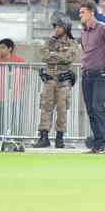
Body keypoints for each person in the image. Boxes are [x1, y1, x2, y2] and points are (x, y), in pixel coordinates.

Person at [79, 2, 105, 154]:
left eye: (82, 12)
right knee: (90, 110)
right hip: (87, 74)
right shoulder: (83, 32)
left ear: (91, 13)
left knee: (98, 108)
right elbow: (85, 52)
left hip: (101, 74)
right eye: (80, 13)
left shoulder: (103, 28)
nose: (80, 15)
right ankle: (97, 144)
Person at [34, 13, 78, 149]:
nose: (56, 29)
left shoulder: (71, 43)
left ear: (65, 28)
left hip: (63, 82)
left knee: (62, 110)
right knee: (45, 108)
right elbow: (43, 55)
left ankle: (60, 138)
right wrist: (56, 56)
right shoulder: (49, 41)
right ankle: (43, 137)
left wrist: (53, 55)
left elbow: (68, 58)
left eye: (59, 26)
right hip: (49, 81)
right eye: (55, 26)